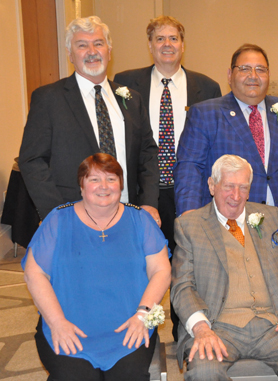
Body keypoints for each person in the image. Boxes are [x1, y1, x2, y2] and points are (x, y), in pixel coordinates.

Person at [114, 15, 221, 342]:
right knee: (142, 260)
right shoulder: (124, 83)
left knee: (189, 262)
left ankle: (184, 328)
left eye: (173, 38)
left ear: (183, 45)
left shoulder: (207, 87)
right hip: (143, 190)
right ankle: (138, 329)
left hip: (190, 191)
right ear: (150, 45)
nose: (167, 45)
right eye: (159, 39)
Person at [171, 154, 278, 381]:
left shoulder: (270, 216)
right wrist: (201, 329)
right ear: (212, 186)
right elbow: (182, 286)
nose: (236, 196)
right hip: (217, 326)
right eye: (229, 187)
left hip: (273, 324)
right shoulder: (189, 225)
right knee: (205, 372)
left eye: (243, 187)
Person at [22, 153, 171, 380]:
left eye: (111, 179)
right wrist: (57, 322)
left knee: (129, 376)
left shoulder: (140, 220)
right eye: (94, 179)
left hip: (129, 327)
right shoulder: (57, 219)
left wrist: (143, 315)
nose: (104, 186)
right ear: (81, 185)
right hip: (68, 325)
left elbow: (161, 271)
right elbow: (35, 274)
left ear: (120, 185)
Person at [19, 16, 159, 223]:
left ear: (109, 51)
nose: (92, 52)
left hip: (128, 213)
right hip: (73, 216)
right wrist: (56, 213)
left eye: (98, 44)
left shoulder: (131, 98)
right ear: (70, 54)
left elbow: (147, 154)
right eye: (82, 45)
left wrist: (148, 203)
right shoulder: (49, 99)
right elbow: (32, 160)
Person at [174, 44, 278, 235]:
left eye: (260, 69)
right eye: (244, 69)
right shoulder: (206, 113)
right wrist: (189, 215)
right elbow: (189, 167)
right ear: (229, 75)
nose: (253, 75)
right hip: (226, 222)